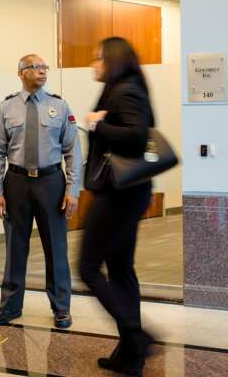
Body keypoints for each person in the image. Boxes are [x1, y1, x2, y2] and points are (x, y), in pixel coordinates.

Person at [0, 54, 82, 329]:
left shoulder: (59, 106)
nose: (42, 72)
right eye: (36, 68)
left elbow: (73, 150)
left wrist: (72, 190)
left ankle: (61, 308)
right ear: (21, 73)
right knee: (15, 247)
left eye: (44, 68)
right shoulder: (6, 107)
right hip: (15, 182)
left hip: (51, 182)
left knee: (56, 247)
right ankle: (10, 307)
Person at [79, 37, 156, 376]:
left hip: (118, 194)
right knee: (121, 268)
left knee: (88, 267)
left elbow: (137, 134)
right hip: (128, 191)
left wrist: (97, 123)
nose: (93, 64)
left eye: (97, 58)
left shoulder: (125, 90)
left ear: (112, 60)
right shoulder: (128, 86)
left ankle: (135, 336)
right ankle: (130, 355)